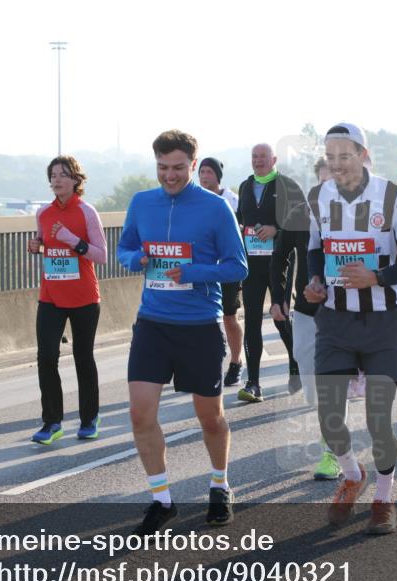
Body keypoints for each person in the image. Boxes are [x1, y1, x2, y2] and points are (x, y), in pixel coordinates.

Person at [118, 129, 248, 535]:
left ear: (194, 164)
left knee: (210, 418)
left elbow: (237, 266)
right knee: (140, 413)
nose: (169, 176)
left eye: (177, 168)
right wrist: (136, 258)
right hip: (153, 323)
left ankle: (220, 485)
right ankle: (161, 499)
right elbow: (123, 250)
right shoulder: (141, 202)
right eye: (162, 168)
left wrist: (193, 272)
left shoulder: (215, 208)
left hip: (199, 326)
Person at [305, 122, 397, 534]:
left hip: (382, 320)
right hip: (336, 320)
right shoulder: (319, 196)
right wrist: (316, 283)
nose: (337, 164)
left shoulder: (394, 197)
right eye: (331, 157)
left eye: (345, 155)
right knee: (329, 416)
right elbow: (315, 250)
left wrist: (376, 278)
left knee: (378, 417)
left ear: (363, 154)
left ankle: (384, 496)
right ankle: (353, 475)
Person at [268, 156, 342, 481]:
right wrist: (278, 298)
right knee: (312, 386)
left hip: (344, 311)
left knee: (331, 383)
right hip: (307, 310)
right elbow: (279, 258)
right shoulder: (299, 214)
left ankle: (330, 452)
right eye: (323, 183)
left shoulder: (353, 215)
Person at [28, 156, 107, 445]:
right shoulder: (43, 213)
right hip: (50, 295)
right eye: (53, 175)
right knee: (46, 357)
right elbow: (43, 243)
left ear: (76, 180)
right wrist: (36, 246)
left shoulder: (87, 212)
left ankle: (89, 419)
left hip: (84, 296)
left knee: (82, 357)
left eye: (63, 174)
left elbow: (101, 255)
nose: (57, 179)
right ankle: (52, 422)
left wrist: (72, 239)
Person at [235, 144, 309, 402]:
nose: (258, 161)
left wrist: (276, 228)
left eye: (263, 157)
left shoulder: (288, 186)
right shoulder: (244, 187)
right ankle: (253, 383)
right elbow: (239, 221)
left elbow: (302, 222)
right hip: (252, 265)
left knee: (280, 316)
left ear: (274, 159)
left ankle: (296, 363)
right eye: (254, 157)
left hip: (281, 264)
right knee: (252, 320)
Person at [199, 157, 245, 387]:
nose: (204, 176)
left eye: (209, 172)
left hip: (227, 269)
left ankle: (236, 363)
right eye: (201, 172)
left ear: (217, 176)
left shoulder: (233, 201)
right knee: (203, 318)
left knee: (229, 317)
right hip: (204, 270)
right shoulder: (197, 200)